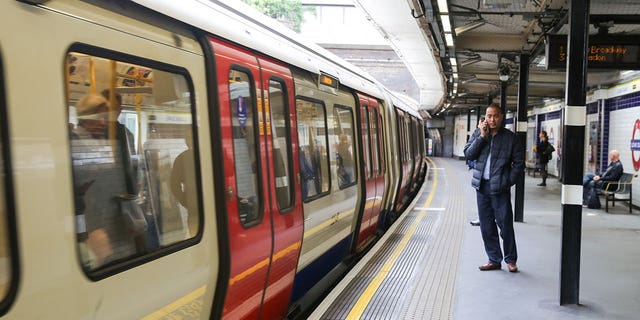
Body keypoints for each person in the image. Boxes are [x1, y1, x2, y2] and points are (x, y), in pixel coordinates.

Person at [463, 103, 524, 273]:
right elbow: (468, 154)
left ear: (502, 117)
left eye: (495, 116)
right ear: (485, 118)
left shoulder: (511, 138)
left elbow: (519, 164)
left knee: (505, 225)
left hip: (500, 189)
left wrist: (507, 181)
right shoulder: (479, 134)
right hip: (482, 187)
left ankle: (511, 260)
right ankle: (493, 259)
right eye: (489, 116)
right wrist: (481, 136)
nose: (491, 119)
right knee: (487, 226)